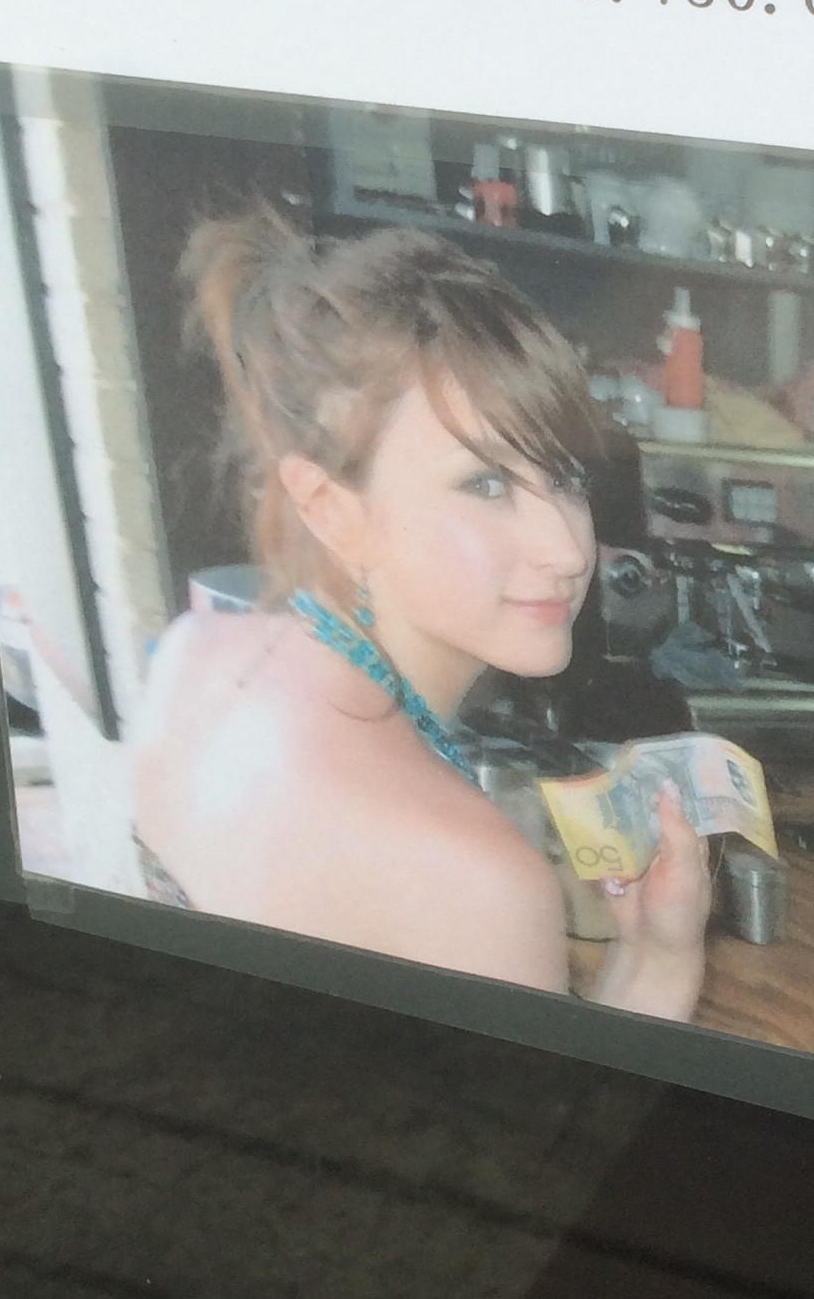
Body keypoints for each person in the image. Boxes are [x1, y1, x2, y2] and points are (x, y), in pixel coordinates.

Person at [129, 209, 712, 1020]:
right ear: (331, 509)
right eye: (485, 484)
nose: (568, 549)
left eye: (567, 479)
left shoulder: (191, 656)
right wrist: (662, 974)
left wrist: (653, 952)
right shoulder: (472, 877)